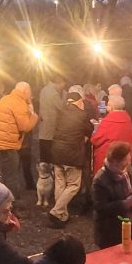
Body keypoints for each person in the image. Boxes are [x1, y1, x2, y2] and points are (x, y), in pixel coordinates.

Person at [47, 88, 93, 228]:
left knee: (60, 183)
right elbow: (89, 129)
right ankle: (56, 211)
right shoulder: (82, 114)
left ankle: (62, 216)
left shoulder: (60, 113)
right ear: (79, 102)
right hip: (72, 154)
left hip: (57, 153)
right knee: (73, 185)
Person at [91, 141, 132, 249]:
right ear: (115, 161)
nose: (129, 161)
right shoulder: (100, 180)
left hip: (130, 225)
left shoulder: (127, 170)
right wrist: (127, 203)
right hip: (110, 232)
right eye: (126, 159)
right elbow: (101, 208)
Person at [0, 82, 39, 196]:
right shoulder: (19, 103)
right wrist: (34, 116)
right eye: (30, 93)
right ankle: (10, 201)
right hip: (10, 144)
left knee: (2, 173)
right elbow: (25, 126)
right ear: (25, 92)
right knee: (11, 176)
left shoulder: (5, 99)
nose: (30, 95)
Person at [35, 75, 65, 209]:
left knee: (44, 159)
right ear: (59, 82)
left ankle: (42, 189)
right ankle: (49, 190)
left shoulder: (43, 90)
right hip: (51, 131)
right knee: (51, 161)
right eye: (63, 83)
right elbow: (62, 108)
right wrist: (64, 98)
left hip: (43, 130)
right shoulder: (53, 93)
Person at [90, 94, 132, 176]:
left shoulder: (108, 121)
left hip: (108, 161)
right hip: (123, 160)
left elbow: (95, 140)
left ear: (111, 107)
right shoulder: (128, 120)